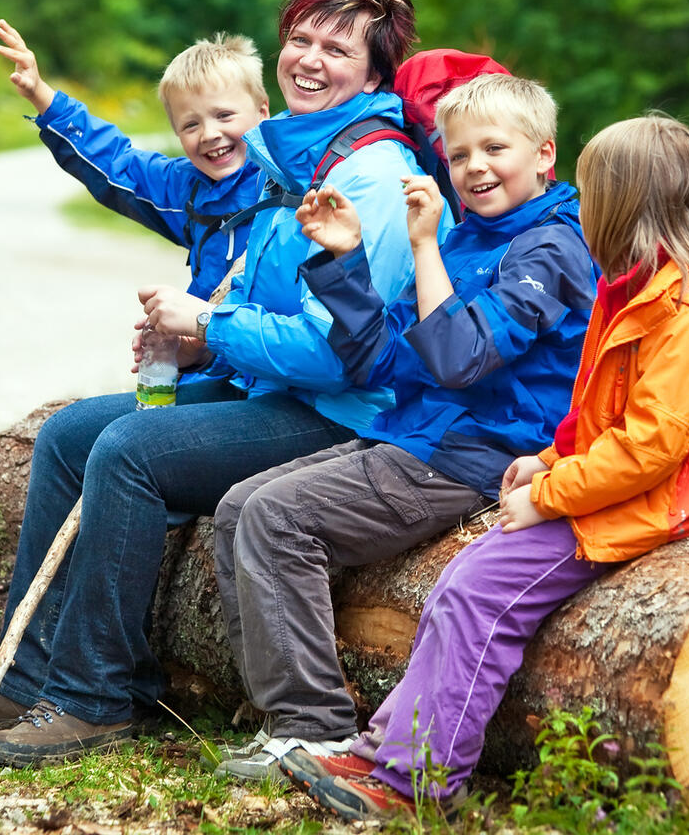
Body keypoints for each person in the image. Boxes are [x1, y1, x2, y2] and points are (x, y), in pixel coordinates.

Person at [0, 0, 454, 765]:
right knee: (69, 434)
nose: (308, 58)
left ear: (373, 75)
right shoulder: (297, 152)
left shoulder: (366, 175)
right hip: (277, 388)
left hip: (345, 414)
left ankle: (93, 699)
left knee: (130, 453)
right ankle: (27, 681)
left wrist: (209, 323)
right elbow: (166, 202)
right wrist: (210, 338)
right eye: (300, 38)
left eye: (336, 48)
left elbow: (338, 352)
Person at [294, 113, 689, 819]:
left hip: (650, 502)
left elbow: (650, 450)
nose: (584, 210)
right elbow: (600, 414)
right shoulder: (643, 291)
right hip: (604, 484)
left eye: (593, 194)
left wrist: (551, 494)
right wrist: (547, 457)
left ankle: (414, 785)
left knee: (479, 596)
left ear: (623, 203)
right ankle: (385, 749)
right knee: (460, 582)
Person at [207, 73, 597, 782]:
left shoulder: (550, 249)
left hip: (478, 453)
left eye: (494, 149)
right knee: (237, 507)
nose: (475, 167)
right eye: (459, 155)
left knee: (275, 517)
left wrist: (422, 245)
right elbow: (379, 358)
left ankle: (315, 733)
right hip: (417, 432)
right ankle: (282, 716)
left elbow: (459, 358)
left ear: (544, 154)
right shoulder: (471, 239)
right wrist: (345, 261)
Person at [0, 21, 267, 301]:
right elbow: (116, 163)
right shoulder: (186, 187)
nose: (209, 134)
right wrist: (40, 94)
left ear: (262, 112)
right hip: (207, 341)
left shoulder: (287, 182)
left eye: (224, 116)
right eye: (191, 125)